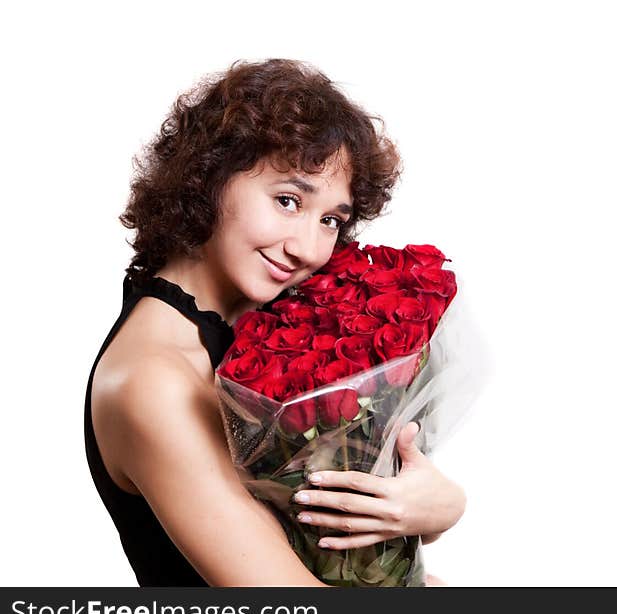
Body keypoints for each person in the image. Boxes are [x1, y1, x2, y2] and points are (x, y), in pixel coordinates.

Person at [84, 58, 466, 586]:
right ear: (208, 178)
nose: (308, 247)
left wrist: (432, 509)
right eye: (288, 201)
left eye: (331, 219)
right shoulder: (154, 380)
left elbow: (321, 527)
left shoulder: (269, 320)